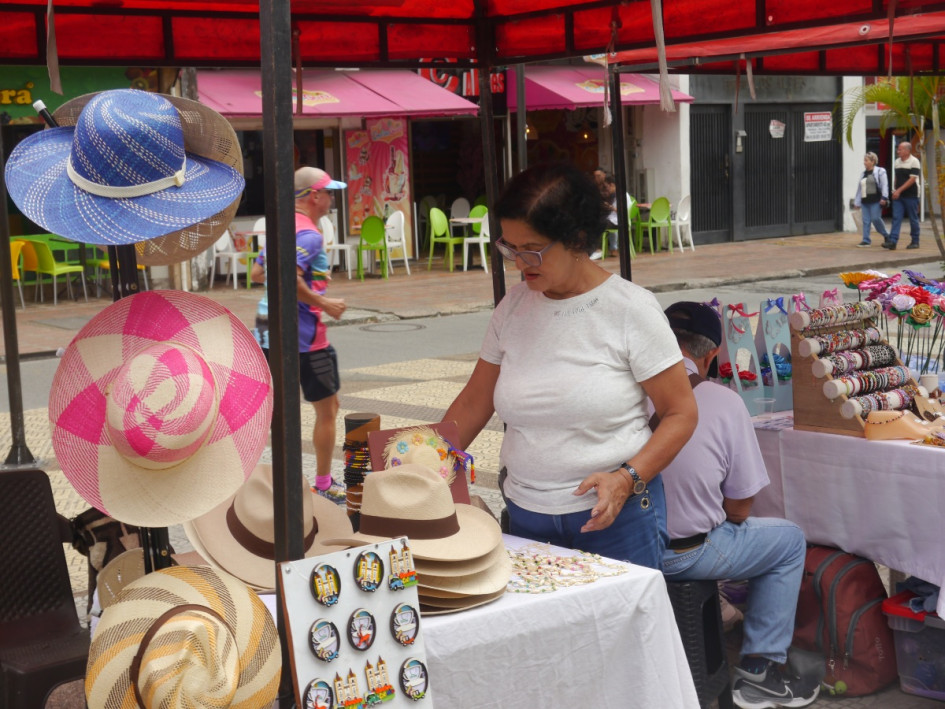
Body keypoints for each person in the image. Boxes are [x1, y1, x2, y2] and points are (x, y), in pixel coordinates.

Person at [442, 162, 698, 569]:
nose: (519, 262)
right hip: (526, 513)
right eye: (510, 248)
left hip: (617, 518)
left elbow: (681, 413)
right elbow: (474, 402)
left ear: (577, 239)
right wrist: (424, 462)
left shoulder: (630, 309)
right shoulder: (512, 308)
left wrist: (626, 478)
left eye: (532, 249)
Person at [656, 301, 815, 709]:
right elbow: (740, 510)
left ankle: (726, 618)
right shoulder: (722, 400)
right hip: (683, 555)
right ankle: (761, 670)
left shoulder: (625, 393)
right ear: (711, 355)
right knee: (788, 541)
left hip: (621, 548)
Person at [251, 166, 348, 503]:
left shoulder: (280, 227)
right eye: (329, 192)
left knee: (281, 412)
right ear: (314, 196)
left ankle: (283, 484)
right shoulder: (309, 235)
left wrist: (313, 278)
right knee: (328, 409)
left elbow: (258, 272)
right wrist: (325, 302)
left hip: (267, 330)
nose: (332, 199)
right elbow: (288, 279)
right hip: (304, 336)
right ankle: (323, 484)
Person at [885, 140, 922, 250]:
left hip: (911, 195)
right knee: (896, 217)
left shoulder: (914, 161)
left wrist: (899, 191)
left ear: (907, 151)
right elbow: (897, 177)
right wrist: (894, 190)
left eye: (900, 149)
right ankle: (892, 241)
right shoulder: (897, 162)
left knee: (913, 218)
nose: (898, 151)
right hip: (899, 195)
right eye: (898, 149)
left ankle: (915, 241)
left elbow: (912, 180)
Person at [852, 152, 889, 247]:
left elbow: (884, 185)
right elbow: (860, 189)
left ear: (872, 162)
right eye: (864, 160)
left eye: (866, 160)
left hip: (876, 200)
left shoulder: (880, 171)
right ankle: (866, 240)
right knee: (866, 221)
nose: (864, 162)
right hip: (865, 201)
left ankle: (886, 235)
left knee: (875, 219)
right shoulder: (863, 174)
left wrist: (884, 197)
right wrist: (857, 202)